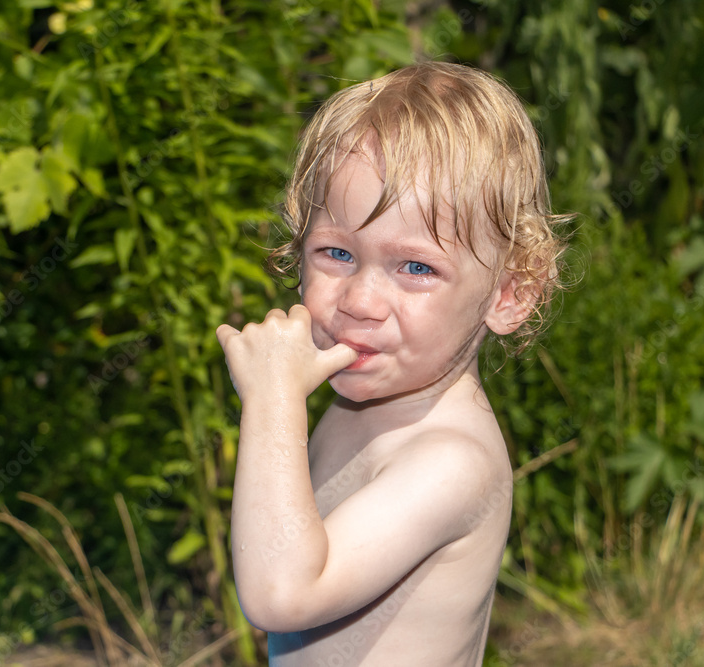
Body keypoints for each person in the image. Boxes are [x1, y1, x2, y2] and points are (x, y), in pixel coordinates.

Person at [215, 61, 571, 665]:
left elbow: (282, 595)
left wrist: (273, 404)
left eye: (415, 268)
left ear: (508, 294)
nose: (358, 302)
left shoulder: (451, 462)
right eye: (336, 252)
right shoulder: (360, 400)